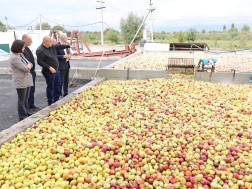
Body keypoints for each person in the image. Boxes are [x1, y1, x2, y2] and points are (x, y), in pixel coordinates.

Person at [36, 36, 70, 106]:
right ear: (46, 42)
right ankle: (50, 102)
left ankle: (56, 100)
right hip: (48, 71)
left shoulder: (52, 47)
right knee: (51, 87)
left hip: (57, 70)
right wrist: (49, 67)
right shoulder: (40, 50)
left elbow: (60, 46)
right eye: (51, 41)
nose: (53, 43)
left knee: (58, 85)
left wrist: (69, 45)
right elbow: (40, 62)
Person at [10, 39, 33, 121]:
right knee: (21, 99)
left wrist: (29, 66)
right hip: (21, 80)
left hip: (26, 79)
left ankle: (27, 111)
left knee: (26, 98)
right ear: (18, 47)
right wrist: (28, 66)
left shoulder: (20, 55)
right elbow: (25, 68)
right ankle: (22, 116)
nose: (24, 48)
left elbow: (30, 63)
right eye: (23, 47)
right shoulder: (14, 58)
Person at [22, 34, 40, 112]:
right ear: (25, 40)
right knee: (27, 92)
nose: (32, 42)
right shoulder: (21, 50)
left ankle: (31, 105)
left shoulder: (27, 48)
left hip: (32, 72)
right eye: (30, 40)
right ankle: (27, 108)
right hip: (27, 73)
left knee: (32, 90)